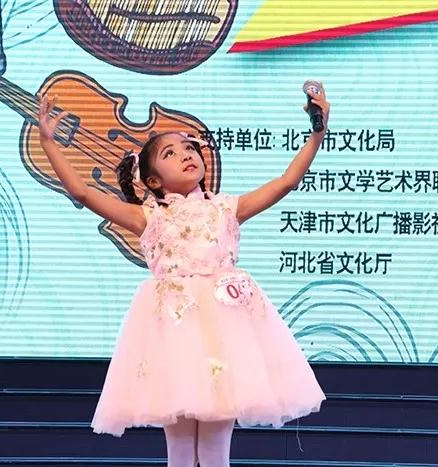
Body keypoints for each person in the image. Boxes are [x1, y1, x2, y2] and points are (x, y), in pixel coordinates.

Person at [37, 83, 331, 467]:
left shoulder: (227, 208)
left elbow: (286, 182)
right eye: (170, 153)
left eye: (189, 148)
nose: (186, 155)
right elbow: (84, 193)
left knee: (214, 448)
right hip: (174, 336)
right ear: (152, 181)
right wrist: (49, 144)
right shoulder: (148, 216)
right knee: (179, 451)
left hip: (225, 333)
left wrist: (317, 134)